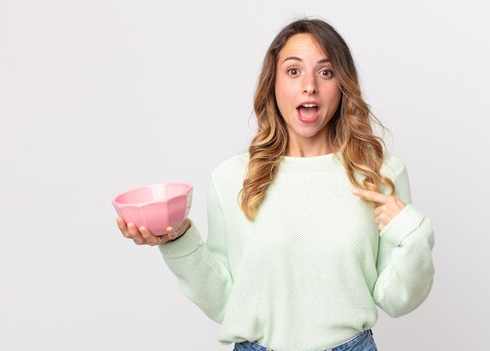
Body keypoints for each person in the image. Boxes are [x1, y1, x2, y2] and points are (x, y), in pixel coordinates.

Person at [117, 18, 435, 351]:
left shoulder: (378, 174)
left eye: (325, 72)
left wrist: (413, 234)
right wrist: (178, 239)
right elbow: (225, 302)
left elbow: (398, 300)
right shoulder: (233, 179)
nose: (309, 85)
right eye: (294, 71)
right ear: (273, 84)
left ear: (342, 85)